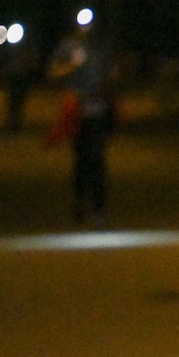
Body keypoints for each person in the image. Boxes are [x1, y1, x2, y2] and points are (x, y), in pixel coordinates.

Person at [46, 17, 118, 225]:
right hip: (77, 111)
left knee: (97, 159)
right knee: (81, 160)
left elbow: (112, 73)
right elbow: (53, 72)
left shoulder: (102, 47)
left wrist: (111, 80)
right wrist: (71, 65)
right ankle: (79, 203)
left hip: (98, 110)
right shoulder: (68, 46)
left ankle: (99, 208)